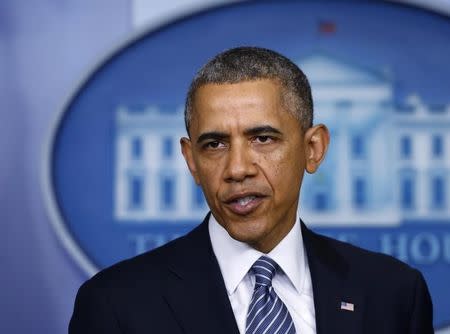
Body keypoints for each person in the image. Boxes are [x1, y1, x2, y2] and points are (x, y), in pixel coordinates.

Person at [69, 47, 433, 334]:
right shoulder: (115, 304)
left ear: (313, 149)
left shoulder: (393, 294)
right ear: (191, 160)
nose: (238, 169)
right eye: (214, 144)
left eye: (262, 138)